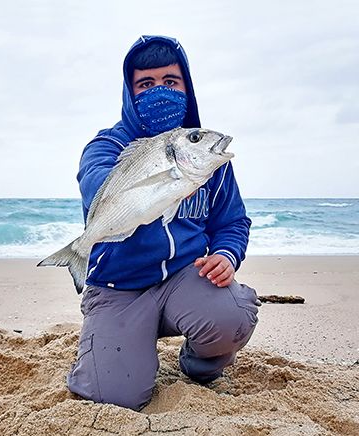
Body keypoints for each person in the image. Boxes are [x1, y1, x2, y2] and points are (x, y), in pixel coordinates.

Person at [68, 35, 260, 411]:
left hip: (183, 281)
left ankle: (197, 363)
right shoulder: (108, 146)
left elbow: (233, 221)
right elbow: (96, 187)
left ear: (187, 87)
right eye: (146, 84)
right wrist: (162, 184)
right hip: (118, 287)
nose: (160, 91)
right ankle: (114, 347)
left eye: (171, 81)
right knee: (114, 397)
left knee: (233, 315)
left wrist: (226, 254)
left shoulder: (205, 158)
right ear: (130, 91)